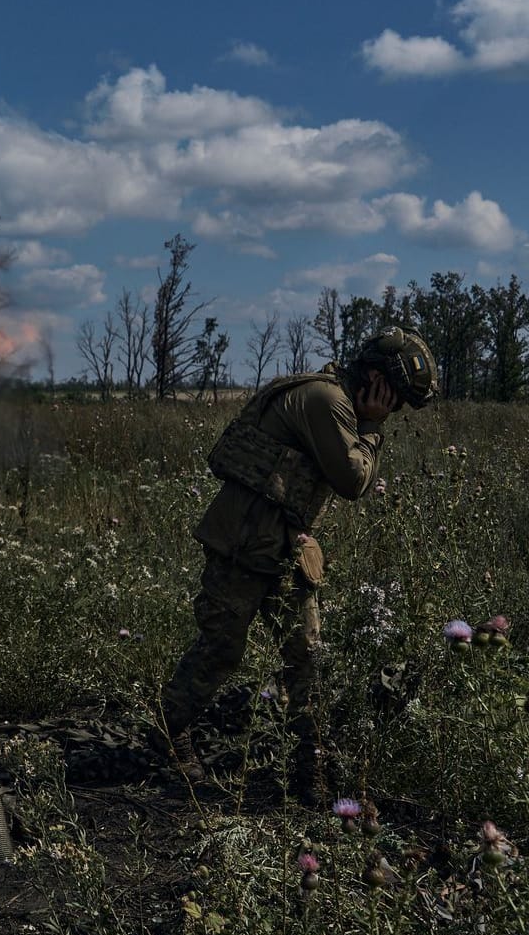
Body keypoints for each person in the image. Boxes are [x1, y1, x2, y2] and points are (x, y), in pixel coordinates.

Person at [157, 327, 438, 802]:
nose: (396, 411)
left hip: (285, 548)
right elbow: (352, 479)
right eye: (398, 399)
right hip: (243, 547)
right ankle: (169, 735)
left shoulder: (336, 400)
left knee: (306, 659)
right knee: (220, 650)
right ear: (376, 377)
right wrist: (371, 429)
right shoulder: (326, 400)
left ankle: (311, 769)